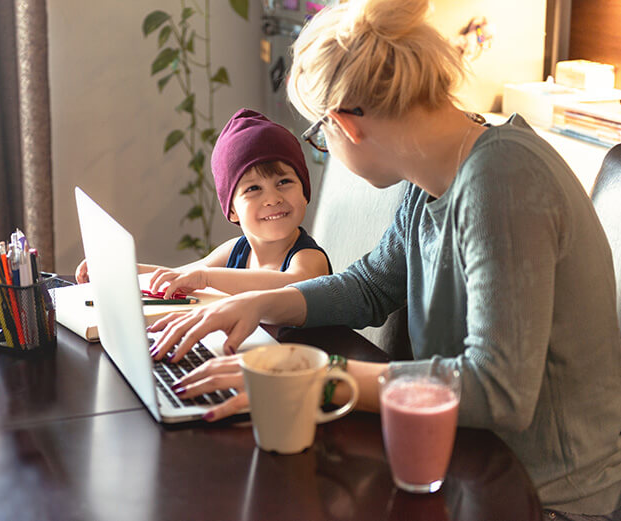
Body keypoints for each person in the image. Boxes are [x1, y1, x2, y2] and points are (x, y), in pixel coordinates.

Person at [148, 0, 621, 518]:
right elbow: (369, 287)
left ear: (345, 124)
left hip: (543, 498)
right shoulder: (435, 178)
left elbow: (497, 390)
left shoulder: (502, 182)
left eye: (317, 135)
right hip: (463, 459)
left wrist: (317, 376)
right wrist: (261, 302)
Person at [76, 108, 332, 303]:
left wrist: (207, 278)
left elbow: (293, 284)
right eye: (253, 189)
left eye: (284, 181)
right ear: (231, 210)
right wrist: (119, 271)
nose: (273, 198)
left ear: (304, 191)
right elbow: (177, 276)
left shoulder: (308, 258)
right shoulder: (236, 250)